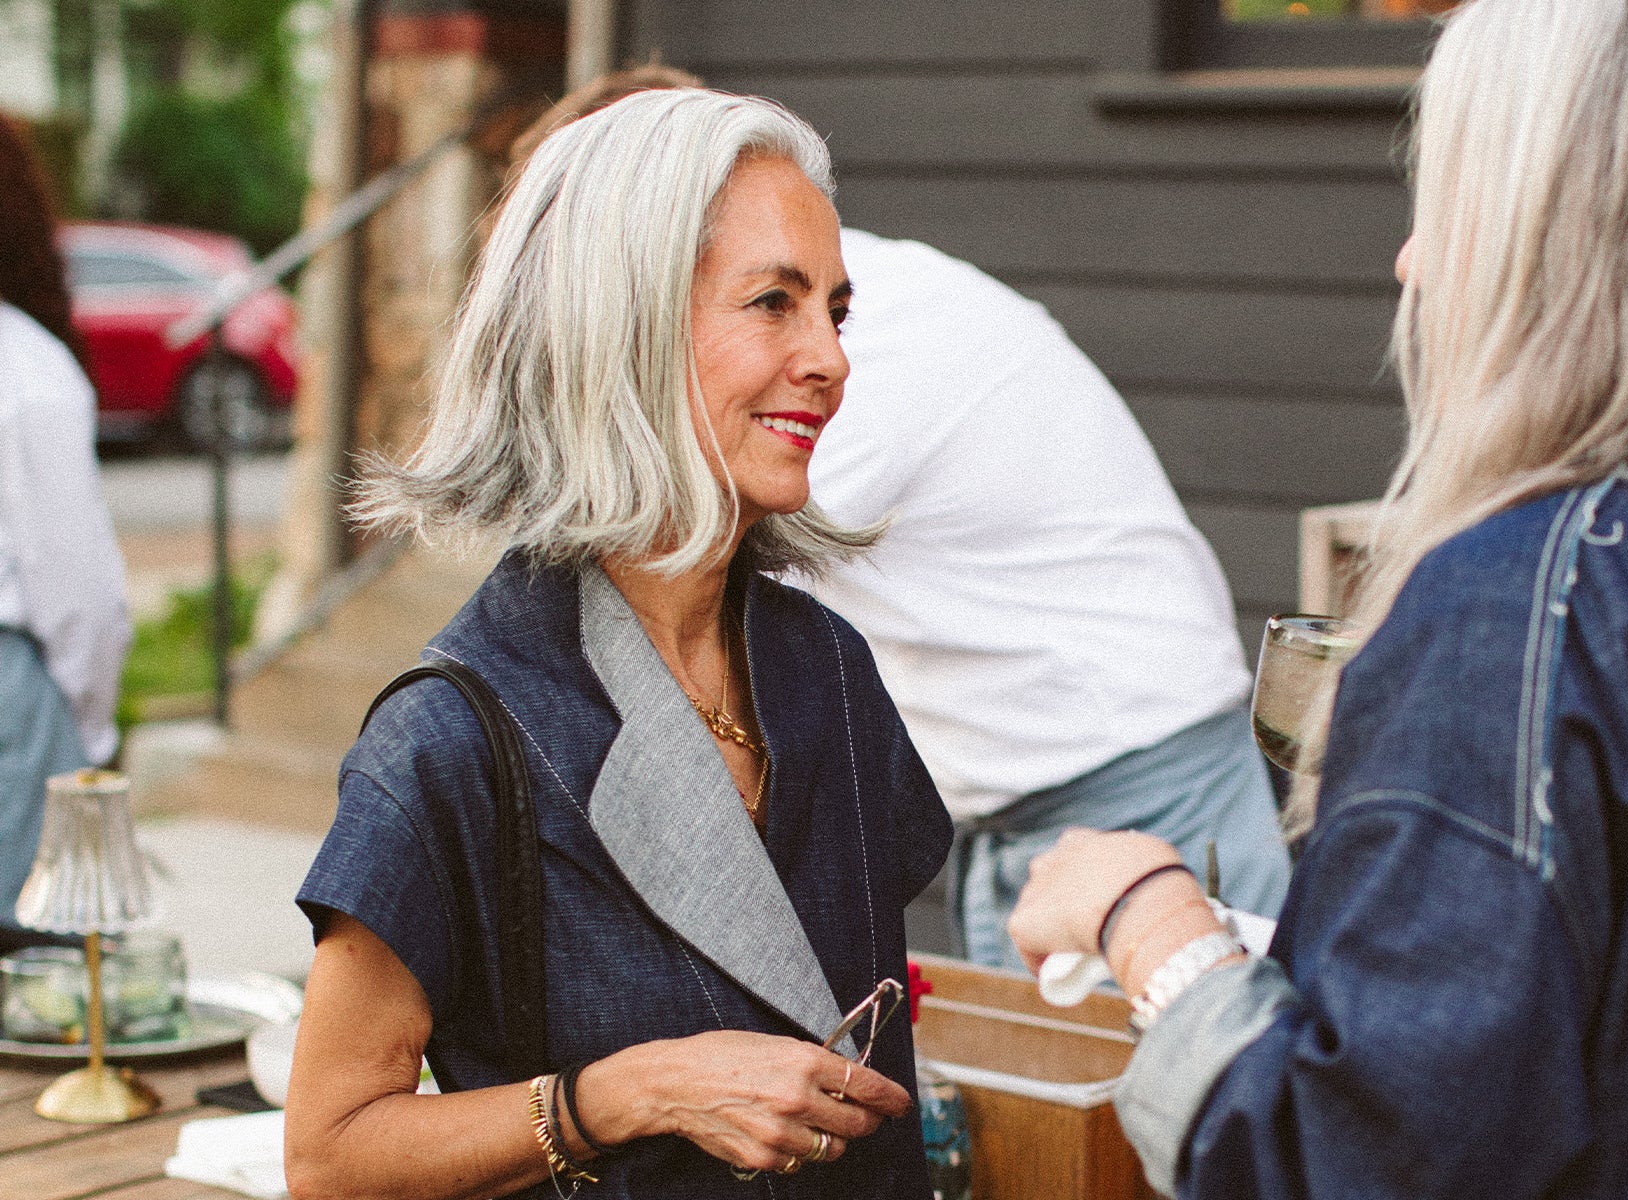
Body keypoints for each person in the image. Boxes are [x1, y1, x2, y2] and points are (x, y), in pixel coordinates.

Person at [1008, 1, 1628, 1196]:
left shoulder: (1520, 606)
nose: (1410, 261)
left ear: (1547, 231)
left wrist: (1147, 919)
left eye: (1452, 197)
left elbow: (1344, 1157)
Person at [286, 89, 953, 1199]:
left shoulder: (829, 671)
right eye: (773, 303)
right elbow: (329, 1156)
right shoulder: (450, 738)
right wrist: (626, 1094)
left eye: (835, 312)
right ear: (621, 331)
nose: (830, 359)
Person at [510, 68, 1290, 971]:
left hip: (1142, 789)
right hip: (1012, 807)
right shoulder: (829, 309)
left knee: (1208, 1062)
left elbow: (668, 579)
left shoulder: (836, 346)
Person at [0, 116, 130, 942]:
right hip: (11, 710)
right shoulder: (25, 371)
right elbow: (79, 598)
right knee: (35, 962)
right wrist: (93, 733)